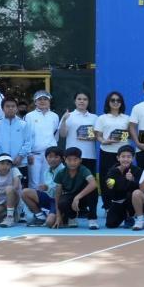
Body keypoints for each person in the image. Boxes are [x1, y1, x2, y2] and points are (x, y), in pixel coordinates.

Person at [58, 91, 99, 224]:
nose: (82, 101)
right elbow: (62, 134)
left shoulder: (94, 118)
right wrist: (64, 120)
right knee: (70, 188)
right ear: (75, 101)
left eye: (85, 99)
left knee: (91, 187)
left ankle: (92, 217)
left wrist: (90, 136)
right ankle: (71, 215)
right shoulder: (68, 116)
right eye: (79, 99)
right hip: (72, 159)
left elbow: (97, 136)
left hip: (89, 156)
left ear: (88, 102)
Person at [49, 147, 98, 229]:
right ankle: (72, 217)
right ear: (64, 159)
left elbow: (93, 184)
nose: (72, 163)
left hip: (83, 198)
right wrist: (58, 216)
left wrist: (77, 197)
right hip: (70, 199)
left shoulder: (84, 170)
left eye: (75, 159)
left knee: (93, 190)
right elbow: (57, 195)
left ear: (80, 160)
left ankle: (92, 219)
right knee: (61, 202)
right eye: (69, 160)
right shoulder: (61, 173)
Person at [23, 90, 60, 190]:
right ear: (35, 102)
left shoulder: (55, 116)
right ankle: (33, 200)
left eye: (45, 99)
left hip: (50, 155)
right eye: (39, 99)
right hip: (34, 155)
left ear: (49, 101)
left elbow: (55, 135)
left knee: (47, 181)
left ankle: (45, 200)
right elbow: (26, 136)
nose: (42, 101)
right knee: (34, 182)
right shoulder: (29, 116)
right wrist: (28, 153)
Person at [94, 91, 132, 182]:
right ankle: (106, 192)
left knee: (124, 178)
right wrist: (104, 141)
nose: (115, 102)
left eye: (118, 100)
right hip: (107, 151)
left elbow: (130, 135)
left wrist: (124, 135)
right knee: (106, 178)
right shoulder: (102, 118)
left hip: (124, 154)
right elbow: (98, 136)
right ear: (108, 102)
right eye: (113, 100)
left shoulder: (127, 118)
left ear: (121, 103)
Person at [0, 96, 31, 177]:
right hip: (2, 163)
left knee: (20, 185)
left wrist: (20, 156)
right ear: (2, 109)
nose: (10, 108)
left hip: (20, 162)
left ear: (17, 108)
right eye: (7, 106)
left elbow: (28, 142)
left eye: (13, 106)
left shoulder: (23, 124)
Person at [21, 147, 63, 225]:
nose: (53, 159)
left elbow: (59, 190)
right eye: (50, 157)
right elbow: (49, 189)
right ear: (46, 158)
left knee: (50, 222)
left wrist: (47, 187)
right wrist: (44, 188)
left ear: (61, 159)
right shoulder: (46, 171)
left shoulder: (64, 170)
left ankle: (63, 216)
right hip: (49, 198)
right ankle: (40, 217)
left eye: (56, 157)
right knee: (25, 192)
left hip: (60, 201)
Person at [102, 145, 139, 230]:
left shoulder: (136, 170)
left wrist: (132, 180)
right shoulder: (112, 171)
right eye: (123, 156)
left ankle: (130, 216)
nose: (126, 159)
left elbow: (140, 188)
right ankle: (124, 215)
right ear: (118, 158)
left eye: (129, 157)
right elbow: (108, 191)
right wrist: (110, 187)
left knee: (132, 194)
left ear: (133, 158)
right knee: (110, 224)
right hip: (117, 201)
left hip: (130, 201)